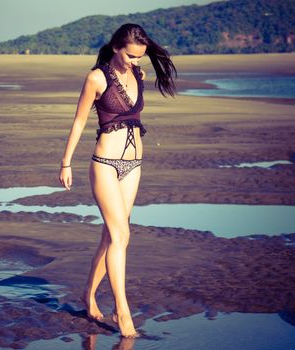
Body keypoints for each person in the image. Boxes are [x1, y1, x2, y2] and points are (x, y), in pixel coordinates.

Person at [58, 23, 177, 338]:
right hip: (105, 165)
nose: (136, 62)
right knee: (121, 234)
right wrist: (66, 162)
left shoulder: (138, 75)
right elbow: (80, 120)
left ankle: (88, 295)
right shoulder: (96, 78)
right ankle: (122, 311)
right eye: (131, 56)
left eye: (141, 57)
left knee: (113, 237)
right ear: (115, 48)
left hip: (134, 164)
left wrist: (138, 67)